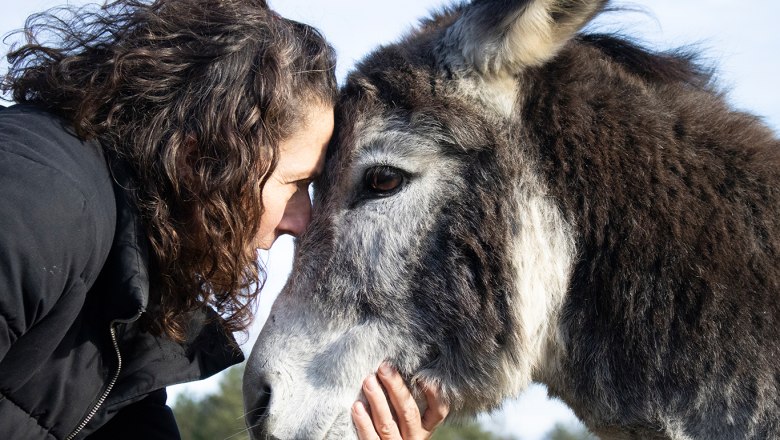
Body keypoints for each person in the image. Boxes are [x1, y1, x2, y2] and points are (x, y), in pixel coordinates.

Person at [0, 0, 448, 438]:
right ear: (204, 160)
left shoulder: (132, 299)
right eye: (296, 185)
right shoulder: (40, 200)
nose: (304, 222)